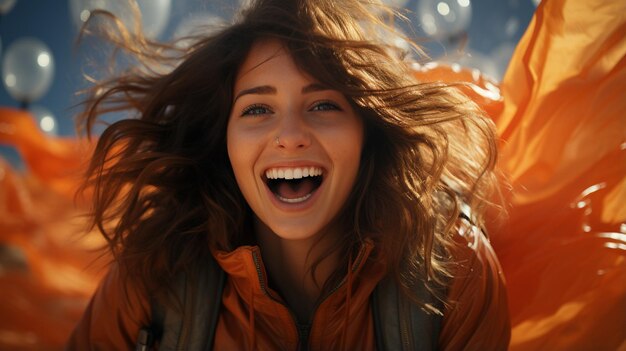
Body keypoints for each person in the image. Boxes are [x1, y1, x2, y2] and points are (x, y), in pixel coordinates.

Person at [67, 0, 510, 349]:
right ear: (224, 139)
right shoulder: (153, 275)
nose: (291, 136)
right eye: (257, 109)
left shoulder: (455, 270)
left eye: (323, 105)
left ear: (366, 131)